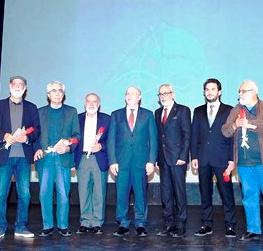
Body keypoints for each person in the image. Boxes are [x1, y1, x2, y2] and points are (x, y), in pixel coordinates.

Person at [222, 80, 263, 244]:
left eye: (244, 91)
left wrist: (251, 124)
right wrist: (235, 125)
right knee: (249, 197)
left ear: (254, 92)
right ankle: (253, 229)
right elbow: (225, 131)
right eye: (239, 91)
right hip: (244, 164)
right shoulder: (236, 110)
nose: (240, 94)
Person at [0, 76, 41, 240]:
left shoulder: (32, 107)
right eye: (15, 84)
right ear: (10, 86)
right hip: (4, 156)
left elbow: (37, 130)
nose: (18, 86)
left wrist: (27, 138)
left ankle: (21, 226)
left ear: (25, 88)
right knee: (0, 195)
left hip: (24, 158)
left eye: (21, 84)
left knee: (25, 195)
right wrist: (4, 135)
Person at [108, 86, 158, 237]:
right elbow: (111, 140)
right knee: (121, 194)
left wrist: (151, 161)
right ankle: (123, 223)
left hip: (141, 162)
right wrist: (112, 161)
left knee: (140, 194)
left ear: (139, 97)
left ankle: (140, 223)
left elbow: (153, 140)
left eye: (133, 93)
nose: (130, 96)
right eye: (127, 93)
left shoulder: (148, 115)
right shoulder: (116, 115)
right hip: (121, 162)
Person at [190, 78, 236, 238]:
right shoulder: (198, 111)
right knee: (205, 193)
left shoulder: (229, 110)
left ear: (219, 92)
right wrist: (194, 156)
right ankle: (206, 224)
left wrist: (231, 159)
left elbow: (232, 136)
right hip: (203, 158)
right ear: (204, 92)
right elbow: (194, 135)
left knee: (226, 193)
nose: (210, 92)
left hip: (222, 159)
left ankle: (230, 225)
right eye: (207, 89)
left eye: (213, 89)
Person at [33, 81, 80, 237]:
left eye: (60, 90)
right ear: (48, 94)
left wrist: (68, 146)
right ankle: (47, 225)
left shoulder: (72, 112)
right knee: (44, 193)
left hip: (63, 158)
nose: (57, 93)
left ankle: (63, 225)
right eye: (54, 90)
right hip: (45, 158)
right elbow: (34, 136)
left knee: (63, 194)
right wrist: (37, 148)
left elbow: (76, 136)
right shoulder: (39, 112)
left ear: (63, 94)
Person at [154, 84, 191, 238]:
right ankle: (169, 224)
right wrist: (157, 158)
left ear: (173, 94)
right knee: (166, 193)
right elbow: (158, 137)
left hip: (177, 159)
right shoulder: (157, 113)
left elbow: (187, 135)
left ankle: (181, 224)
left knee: (179, 192)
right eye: (161, 94)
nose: (163, 96)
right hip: (163, 159)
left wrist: (183, 157)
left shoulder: (183, 110)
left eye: (166, 93)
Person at [73, 93, 111, 235]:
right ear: (85, 103)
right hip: (82, 158)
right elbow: (73, 139)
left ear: (99, 104)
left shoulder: (107, 119)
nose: (91, 104)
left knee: (99, 192)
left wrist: (101, 146)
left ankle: (97, 222)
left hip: (99, 158)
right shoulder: (77, 119)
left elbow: (112, 139)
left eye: (94, 101)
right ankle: (85, 221)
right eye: (89, 101)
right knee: (83, 191)